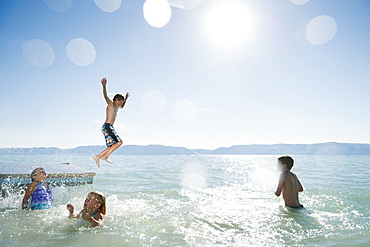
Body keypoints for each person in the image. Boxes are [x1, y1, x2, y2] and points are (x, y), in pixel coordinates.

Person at [93, 77, 130, 167]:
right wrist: (104, 86)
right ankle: (104, 156)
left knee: (112, 145)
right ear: (116, 100)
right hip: (107, 126)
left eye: (122, 102)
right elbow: (105, 96)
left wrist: (125, 99)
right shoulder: (111, 104)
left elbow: (123, 106)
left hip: (109, 127)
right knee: (119, 142)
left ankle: (97, 156)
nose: (121, 103)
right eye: (120, 102)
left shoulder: (117, 107)